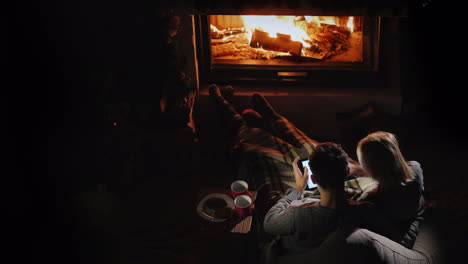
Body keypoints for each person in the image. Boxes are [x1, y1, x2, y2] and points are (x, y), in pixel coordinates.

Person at [261, 142, 371, 263]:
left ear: (313, 179)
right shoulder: (363, 210)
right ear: (347, 172)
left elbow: (268, 223)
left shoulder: (298, 215)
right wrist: (358, 170)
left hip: (292, 252)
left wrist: (298, 189)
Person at [355, 131, 426, 248]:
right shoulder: (416, 167)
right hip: (414, 210)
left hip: (398, 234)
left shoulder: (375, 199)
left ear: (371, 168)